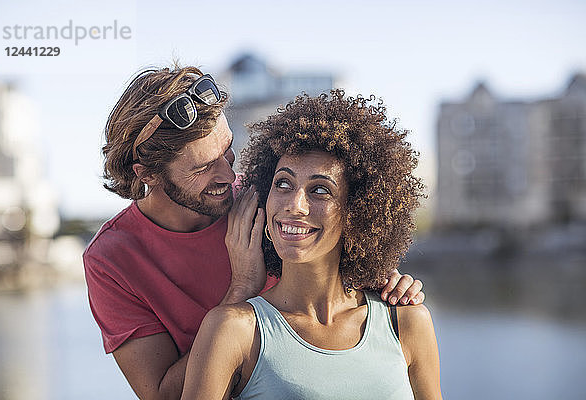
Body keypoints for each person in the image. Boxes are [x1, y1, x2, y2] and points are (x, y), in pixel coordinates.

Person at [83, 65, 426, 399]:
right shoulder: (112, 259)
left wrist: (374, 273)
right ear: (148, 175)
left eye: (227, 150)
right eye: (203, 167)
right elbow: (162, 396)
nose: (229, 177)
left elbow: (336, 242)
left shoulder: (268, 198)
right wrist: (241, 289)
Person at [181, 90, 441, 399]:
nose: (295, 204)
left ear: (357, 212)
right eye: (283, 184)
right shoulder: (232, 330)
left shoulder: (406, 322)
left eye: (320, 190)